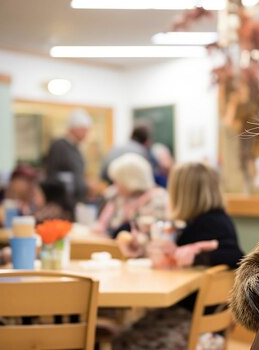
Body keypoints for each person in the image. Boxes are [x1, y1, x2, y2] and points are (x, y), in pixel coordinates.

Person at [113, 162, 244, 350]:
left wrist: (198, 253)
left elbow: (235, 256)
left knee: (123, 339)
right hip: (197, 318)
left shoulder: (210, 223)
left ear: (182, 193)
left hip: (195, 322)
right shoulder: (202, 221)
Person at [93, 153, 168, 239]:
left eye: (118, 181)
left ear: (130, 181)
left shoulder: (157, 199)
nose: (115, 186)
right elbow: (101, 225)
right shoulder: (117, 196)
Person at [45, 109, 92, 205]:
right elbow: (52, 176)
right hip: (63, 204)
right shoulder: (58, 146)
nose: (86, 134)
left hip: (77, 202)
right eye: (84, 130)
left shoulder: (76, 148)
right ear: (75, 128)